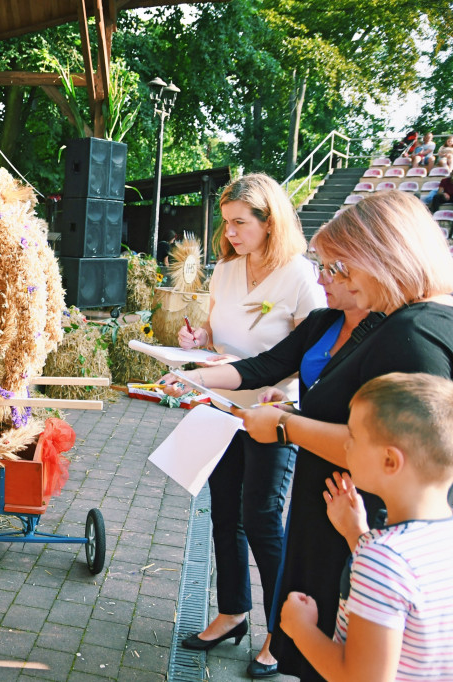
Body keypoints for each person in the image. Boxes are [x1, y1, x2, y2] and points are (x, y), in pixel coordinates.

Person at [230, 190, 453, 681]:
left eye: (342, 268)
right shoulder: (418, 322)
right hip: (352, 522)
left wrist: (287, 427)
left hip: (360, 520)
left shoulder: (411, 334)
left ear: (387, 258)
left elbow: (400, 446)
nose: (332, 280)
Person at [176, 174, 325, 677]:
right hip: (223, 406)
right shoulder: (225, 269)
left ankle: (281, 633)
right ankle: (233, 611)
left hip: (274, 415)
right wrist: (197, 341)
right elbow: (218, 333)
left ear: (270, 221)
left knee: (262, 517)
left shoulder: (302, 278)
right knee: (224, 513)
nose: (231, 232)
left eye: (241, 223)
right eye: (227, 223)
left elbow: (310, 354)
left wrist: (273, 391)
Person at [279, 372, 453, 681]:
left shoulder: (382, 559)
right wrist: (355, 534)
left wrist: (300, 628)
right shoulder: (432, 539)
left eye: (353, 437)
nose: (345, 446)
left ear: (389, 461)